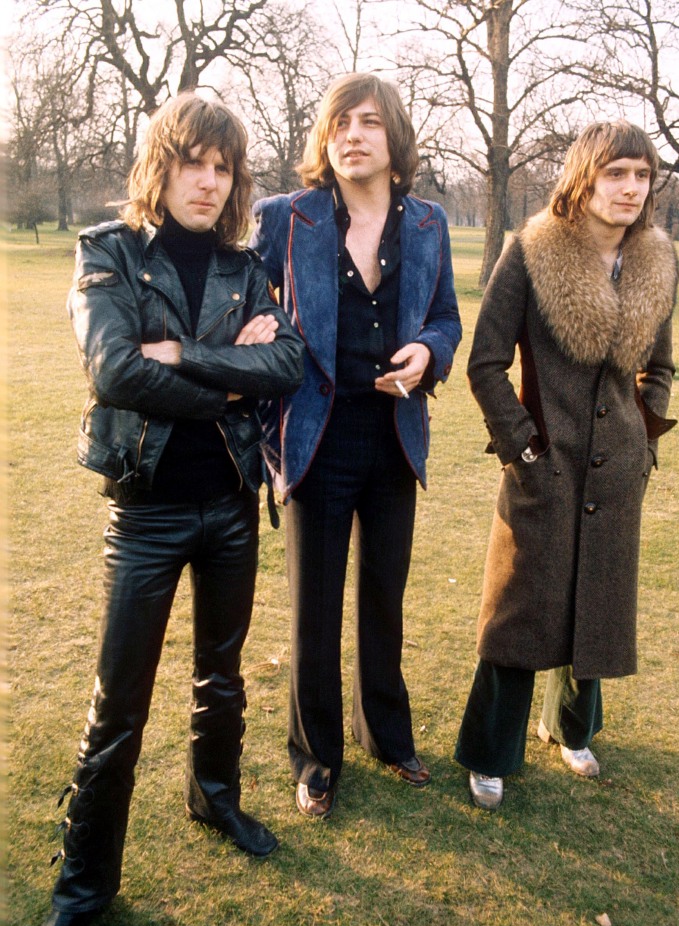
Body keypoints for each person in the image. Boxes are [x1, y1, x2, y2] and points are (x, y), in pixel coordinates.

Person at [13, 93, 304, 926]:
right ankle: (79, 893)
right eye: (194, 163)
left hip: (230, 505)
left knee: (221, 676)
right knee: (118, 707)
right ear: (162, 166)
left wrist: (176, 355)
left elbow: (287, 362)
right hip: (145, 515)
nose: (210, 182)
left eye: (224, 167)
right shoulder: (106, 252)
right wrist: (225, 380)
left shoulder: (246, 268)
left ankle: (214, 798)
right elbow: (113, 369)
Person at [250, 73, 461, 819]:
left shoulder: (430, 224)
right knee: (315, 611)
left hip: (395, 440)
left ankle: (387, 735)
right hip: (314, 438)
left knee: (385, 597)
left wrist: (429, 354)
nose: (352, 135)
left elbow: (446, 318)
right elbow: (242, 296)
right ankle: (314, 759)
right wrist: (257, 326)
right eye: (340, 122)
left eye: (369, 122)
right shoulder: (286, 217)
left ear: (394, 137)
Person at [455, 121, 678, 810]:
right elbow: (485, 363)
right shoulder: (530, 253)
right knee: (521, 609)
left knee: (599, 603)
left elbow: (660, 368)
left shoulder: (655, 262)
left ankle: (572, 729)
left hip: (616, 473)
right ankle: (491, 750)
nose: (630, 188)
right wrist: (524, 449)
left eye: (641, 175)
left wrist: (644, 442)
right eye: (616, 173)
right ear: (585, 178)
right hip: (543, 464)